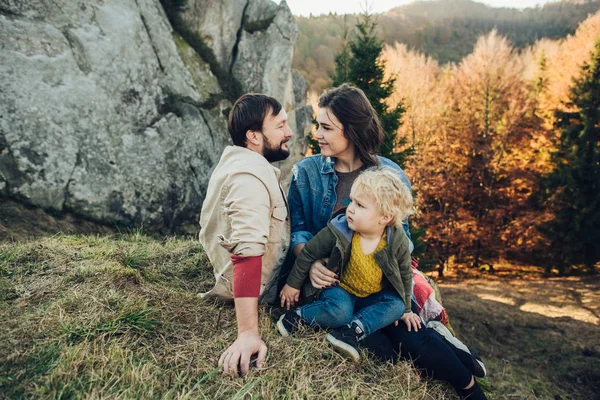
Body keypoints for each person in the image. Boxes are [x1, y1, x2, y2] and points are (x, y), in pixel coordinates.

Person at [282, 84, 487, 399]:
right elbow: (298, 230)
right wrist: (311, 265)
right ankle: (451, 350)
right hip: (337, 285)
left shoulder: (389, 173)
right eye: (317, 125)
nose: (317, 135)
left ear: (351, 131)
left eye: (326, 127)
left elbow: (400, 244)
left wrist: (398, 299)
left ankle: (468, 386)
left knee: (409, 336)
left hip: (379, 282)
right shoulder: (305, 173)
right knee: (380, 347)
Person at [199, 93, 293, 377]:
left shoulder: (243, 163)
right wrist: (248, 333)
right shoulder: (248, 179)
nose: (289, 132)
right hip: (268, 286)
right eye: (280, 126)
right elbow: (247, 254)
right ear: (253, 135)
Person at [277, 168, 414, 361]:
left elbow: (405, 274)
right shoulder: (339, 229)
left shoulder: (396, 240)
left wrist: (407, 310)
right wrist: (293, 285)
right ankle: (298, 317)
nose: (350, 209)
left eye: (360, 205)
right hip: (339, 288)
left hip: (370, 295)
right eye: (352, 201)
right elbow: (308, 252)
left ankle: (351, 331)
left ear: (385, 217)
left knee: (396, 305)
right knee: (340, 311)